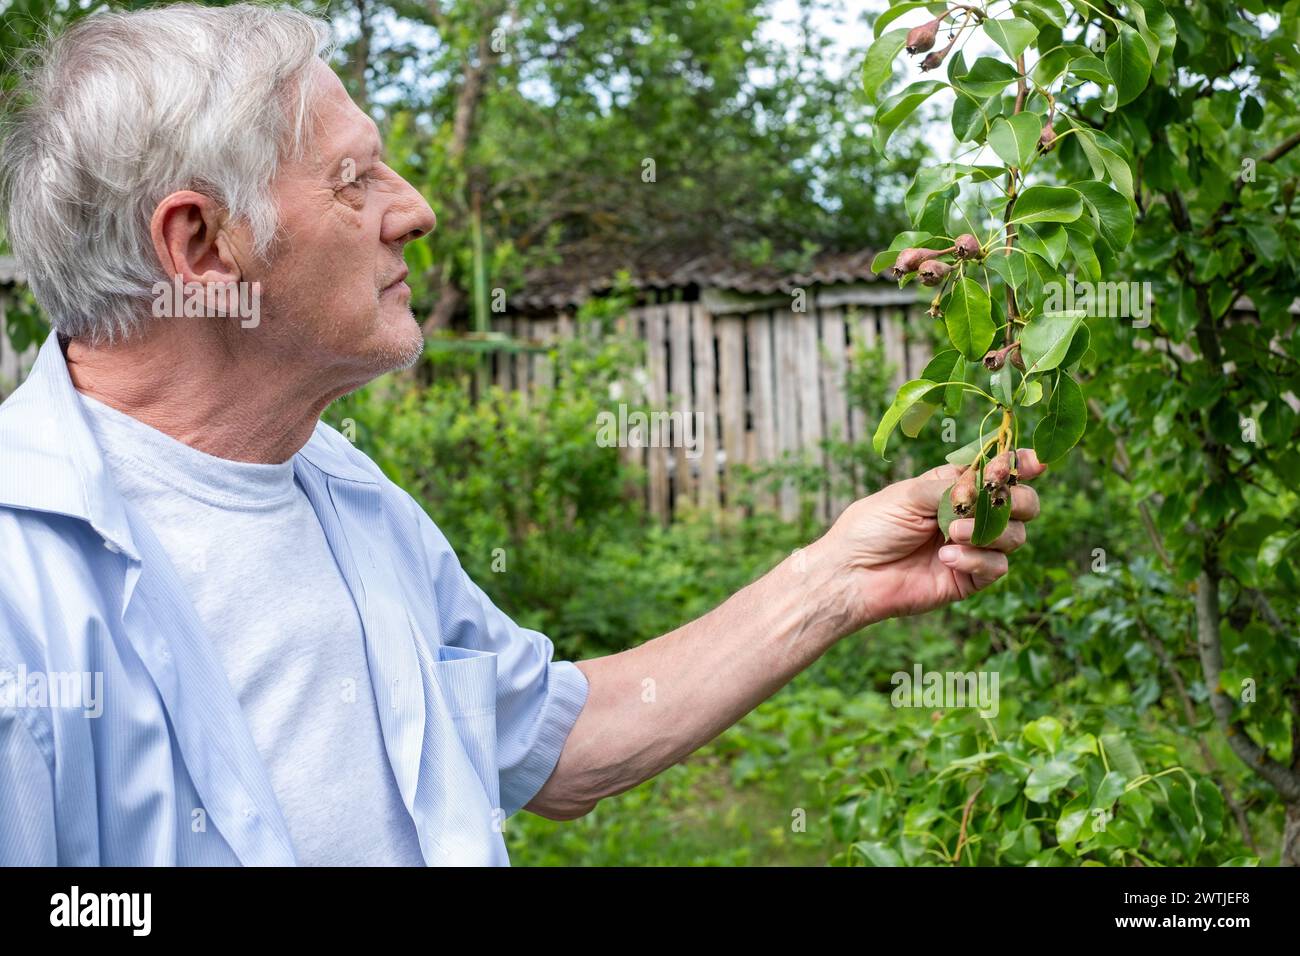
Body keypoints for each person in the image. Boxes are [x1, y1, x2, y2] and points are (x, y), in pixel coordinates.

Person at [0, 3, 1044, 866]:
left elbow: (557, 742)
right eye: (354, 179)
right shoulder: (20, 581)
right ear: (201, 244)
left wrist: (837, 580)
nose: (413, 210)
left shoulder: (337, 487)